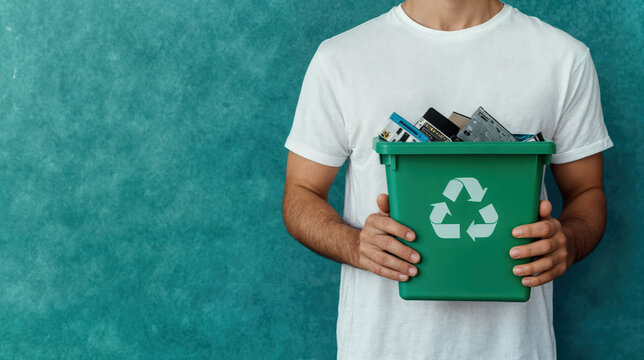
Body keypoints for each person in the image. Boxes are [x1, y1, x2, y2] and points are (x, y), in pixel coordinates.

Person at [282, 0, 613, 358]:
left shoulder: (563, 58)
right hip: (383, 346)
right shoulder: (341, 58)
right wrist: (355, 245)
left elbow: (587, 191)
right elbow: (301, 194)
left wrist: (568, 242)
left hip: (514, 347)